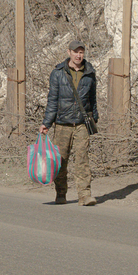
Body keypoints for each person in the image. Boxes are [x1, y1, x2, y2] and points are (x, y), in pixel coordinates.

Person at [40, 40, 99, 205]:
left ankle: (85, 195)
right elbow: (52, 100)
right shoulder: (57, 73)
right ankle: (61, 193)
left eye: (81, 52)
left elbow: (92, 99)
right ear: (69, 52)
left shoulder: (90, 73)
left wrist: (94, 119)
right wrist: (47, 123)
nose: (78, 55)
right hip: (62, 124)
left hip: (81, 124)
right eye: (75, 52)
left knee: (82, 159)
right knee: (60, 160)